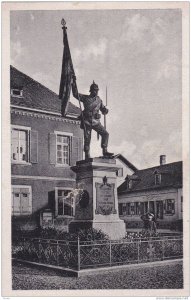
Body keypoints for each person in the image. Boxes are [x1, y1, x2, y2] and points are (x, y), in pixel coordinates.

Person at [72, 77, 114, 160]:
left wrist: (105, 110)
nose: (96, 91)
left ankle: (105, 151)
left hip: (96, 122)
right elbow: (75, 94)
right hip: (87, 121)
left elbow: (103, 110)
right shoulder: (85, 98)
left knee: (105, 134)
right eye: (95, 90)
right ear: (91, 91)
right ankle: (87, 154)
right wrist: (73, 83)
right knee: (87, 139)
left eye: (97, 90)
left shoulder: (99, 100)